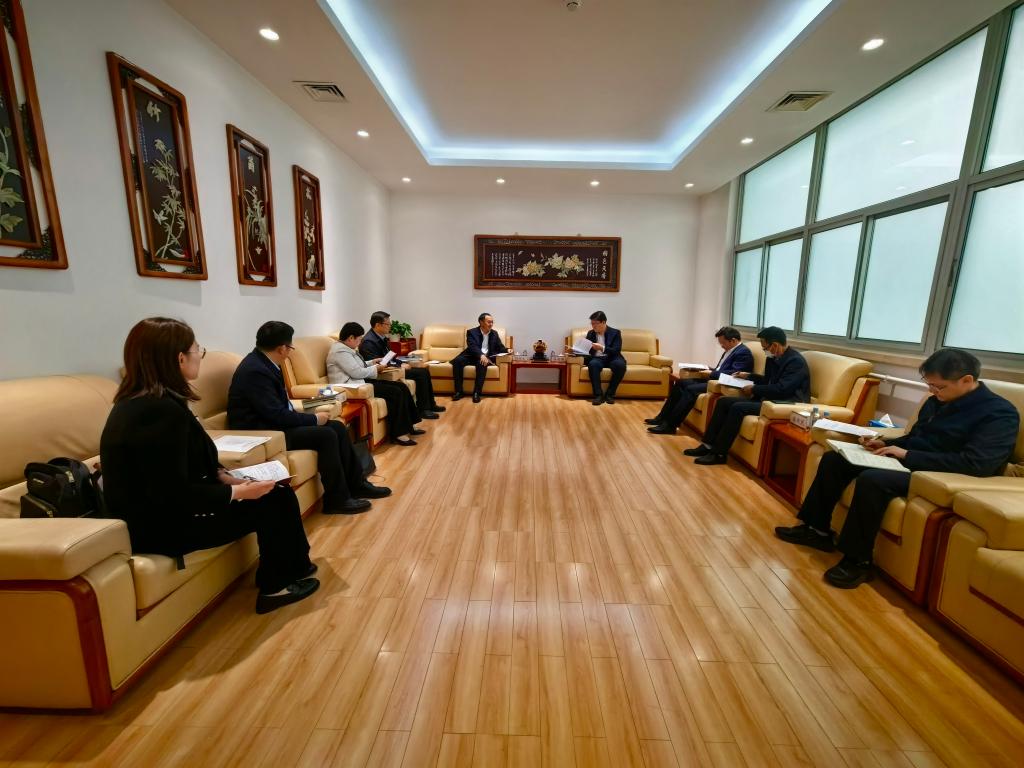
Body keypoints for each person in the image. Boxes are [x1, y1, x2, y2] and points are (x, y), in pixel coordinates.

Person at [100, 318, 319, 615]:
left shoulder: (152, 401)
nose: (200, 356)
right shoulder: (155, 411)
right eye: (197, 351)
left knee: (277, 493)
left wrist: (224, 476)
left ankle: (294, 567)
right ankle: (275, 586)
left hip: (172, 510)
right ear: (180, 358)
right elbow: (171, 494)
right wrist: (238, 493)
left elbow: (187, 459)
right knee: (273, 502)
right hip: (162, 527)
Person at [776, 348, 1019, 588]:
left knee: (873, 480)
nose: (932, 391)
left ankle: (857, 560)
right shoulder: (937, 401)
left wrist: (908, 455)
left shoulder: (999, 413)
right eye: (929, 385)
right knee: (834, 460)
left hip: (937, 474)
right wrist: (886, 444)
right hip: (911, 460)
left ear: (966, 380)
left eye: (939, 386)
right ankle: (816, 530)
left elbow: (977, 464)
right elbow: (916, 437)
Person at [227, 321, 391, 515]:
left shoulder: (264, 362)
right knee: (326, 435)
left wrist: (311, 414)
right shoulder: (256, 371)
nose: (290, 351)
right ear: (282, 348)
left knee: (337, 427)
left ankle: (357, 484)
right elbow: (275, 415)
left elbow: (278, 408)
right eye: (290, 347)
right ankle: (336, 500)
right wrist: (314, 420)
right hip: (264, 432)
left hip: (273, 422)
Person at [686, 326, 810, 465]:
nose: (765, 351)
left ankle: (719, 454)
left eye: (765, 348)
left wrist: (754, 389)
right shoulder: (773, 358)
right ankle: (707, 445)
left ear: (775, 345)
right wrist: (749, 376)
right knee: (723, 402)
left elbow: (782, 389)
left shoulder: (795, 361)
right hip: (769, 398)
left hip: (783, 403)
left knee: (738, 408)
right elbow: (767, 381)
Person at [329, 321, 425, 447]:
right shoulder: (340, 352)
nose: (360, 342)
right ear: (351, 337)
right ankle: (398, 433)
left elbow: (358, 366)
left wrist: (373, 362)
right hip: (353, 385)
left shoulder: (346, 348)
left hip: (361, 381)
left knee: (402, 386)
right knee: (395, 392)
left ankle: (410, 425)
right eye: (359, 339)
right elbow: (356, 372)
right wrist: (376, 368)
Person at [646, 326, 754, 435]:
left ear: (733, 340)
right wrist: (705, 369)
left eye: (723, 343)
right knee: (680, 383)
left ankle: (670, 425)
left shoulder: (743, 353)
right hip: (714, 378)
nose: (721, 346)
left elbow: (734, 374)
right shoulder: (730, 350)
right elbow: (721, 369)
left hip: (721, 384)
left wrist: (711, 373)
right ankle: (662, 417)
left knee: (690, 390)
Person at [359, 311, 445, 419]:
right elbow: (377, 363)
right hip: (384, 372)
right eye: (387, 324)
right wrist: (399, 366)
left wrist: (402, 363)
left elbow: (390, 356)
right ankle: (423, 409)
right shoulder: (368, 342)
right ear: (377, 325)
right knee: (420, 374)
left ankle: (431, 404)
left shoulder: (381, 337)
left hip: (391, 368)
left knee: (424, 371)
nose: (390, 326)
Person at [451, 312, 508, 403]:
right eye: (489, 322)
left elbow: (500, 347)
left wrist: (508, 350)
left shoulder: (494, 333)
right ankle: (459, 391)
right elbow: (472, 346)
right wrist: (481, 355)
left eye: (492, 322)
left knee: (482, 363)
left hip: (485, 358)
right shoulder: (471, 332)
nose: (491, 324)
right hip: (471, 355)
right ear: (481, 322)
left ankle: (477, 393)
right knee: (458, 361)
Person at [580, 311, 626, 405]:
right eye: (592, 323)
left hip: (613, 357)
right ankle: (598, 395)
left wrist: (602, 348)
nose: (593, 326)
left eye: (595, 323)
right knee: (593, 364)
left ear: (604, 322)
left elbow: (616, 350)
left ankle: (610, 395)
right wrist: (576, 351)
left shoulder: (615, 333)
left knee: (620, 365)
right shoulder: (591, 333)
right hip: (598, 358)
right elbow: (586, 350)